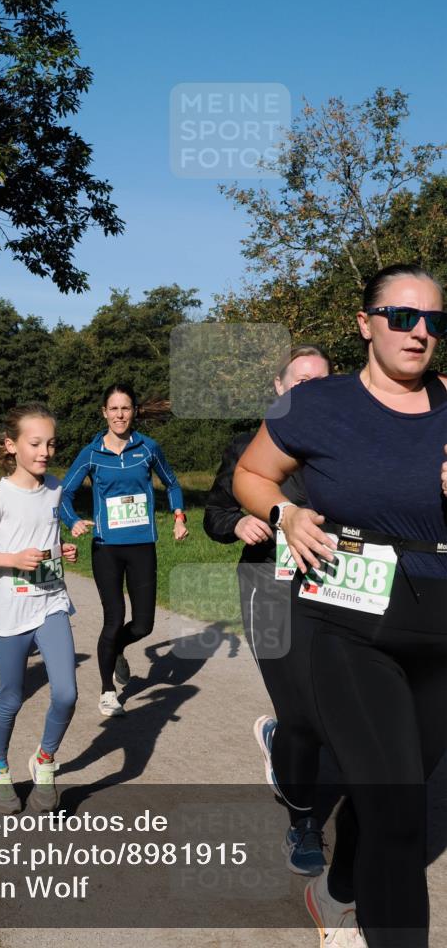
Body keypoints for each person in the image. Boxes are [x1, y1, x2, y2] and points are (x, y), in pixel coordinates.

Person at [233, 265, 447, 948]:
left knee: (398, 792)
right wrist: (285, 512)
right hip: (346, 622)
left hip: (439, 624)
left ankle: (339, 889)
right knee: (397, 808)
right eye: (402, 317)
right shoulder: (316, 404)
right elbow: (250, 473)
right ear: (365, 324)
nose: (420, 333)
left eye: (434, 322)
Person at [204, 344, 336, 877]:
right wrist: (236, 523)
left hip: (332, 587)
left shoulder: (344, 447)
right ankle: (304, 821)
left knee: (334, 705)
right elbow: (216, 512)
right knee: (303, 709)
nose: (309, 389)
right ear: (279, 387)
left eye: (321, 381)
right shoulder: (246, 446)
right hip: (267, 585)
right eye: (300, 381)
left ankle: (280, 739)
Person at [0, 403, 78, 815]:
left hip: (51, 602)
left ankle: (45, 761)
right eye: (35, 443)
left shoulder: (56, 488)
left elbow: (42, 538)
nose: (45, 451)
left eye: (50, 443)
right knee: (11, 697)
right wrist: (11, 560)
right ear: (11, 446)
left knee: (66, 693)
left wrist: (59, 552)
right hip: (12, 609)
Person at [60, 382, 188, 717]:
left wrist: (178, 516)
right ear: (104, 413)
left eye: (125, 408)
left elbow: (172, 483)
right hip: (107, 548)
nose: (119, 414)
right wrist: (72, 521)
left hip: (142, 545)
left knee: (143, 625)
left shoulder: (148, 448)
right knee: (114, 618)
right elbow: (63, 495)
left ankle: (115, 650)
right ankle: (107, 690)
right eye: (114, 409)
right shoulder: (91, 454)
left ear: (134, 412)